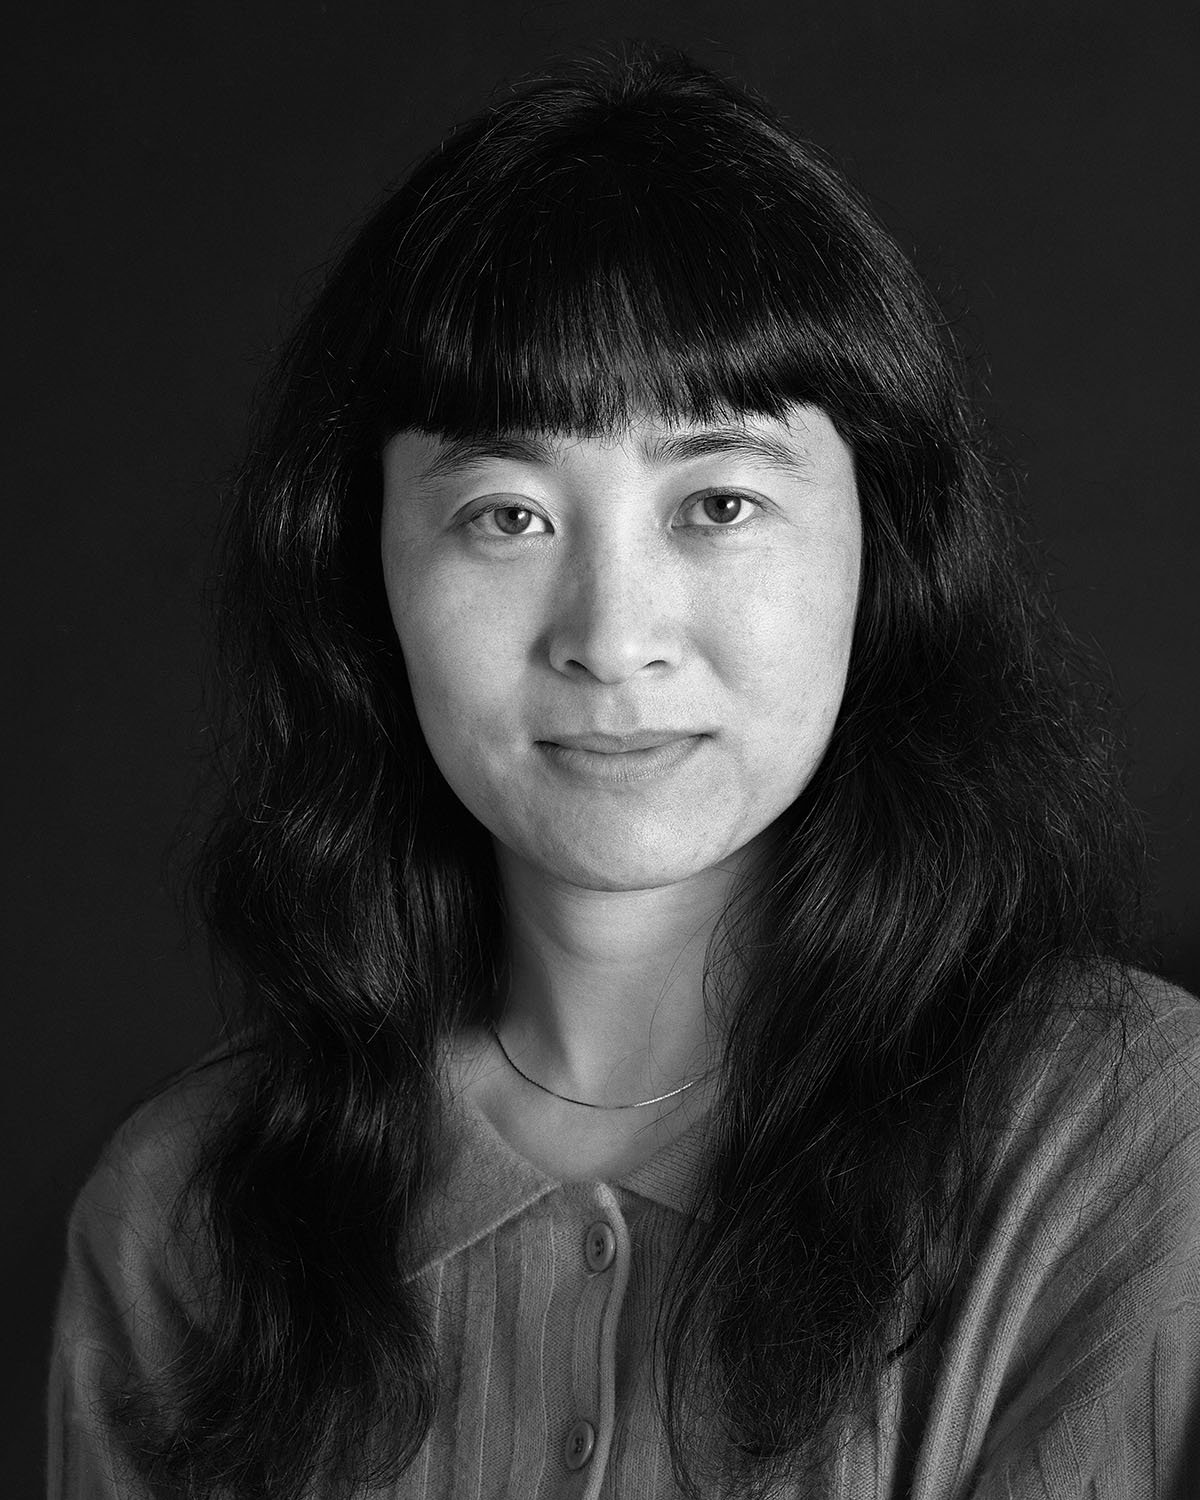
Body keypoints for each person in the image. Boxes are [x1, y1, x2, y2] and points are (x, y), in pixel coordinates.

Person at [47, 39, 1200, 1500]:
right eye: (505, 517)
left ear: (883, 543)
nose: (611, 637)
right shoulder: (178, 1217)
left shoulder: (1113, 1135)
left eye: (716, 501)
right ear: (365, 574)